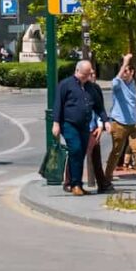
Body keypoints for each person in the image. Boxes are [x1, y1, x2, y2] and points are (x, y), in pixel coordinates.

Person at [104, 53, 136, 191]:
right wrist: (124, 62)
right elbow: (114, 82)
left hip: (134, 123)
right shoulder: (118, 84)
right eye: (123, 71)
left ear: (132, 72)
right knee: (116, 152)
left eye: (127, 71)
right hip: (119, 122)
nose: (124, 73)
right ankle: (107, 178)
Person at [52, 59, 95, 196]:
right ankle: (75, 184)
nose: (86, 77)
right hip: (68, 123)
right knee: (75, 149)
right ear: (77, 71)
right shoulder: (65, 84)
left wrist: (104, 120)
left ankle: (73, 182)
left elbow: (98, 105)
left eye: (88, 74)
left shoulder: (89, 86)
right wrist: (56, 123)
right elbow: (58, 103)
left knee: (80, 153)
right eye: (84, 74)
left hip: (84, 125)